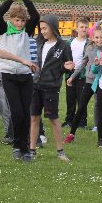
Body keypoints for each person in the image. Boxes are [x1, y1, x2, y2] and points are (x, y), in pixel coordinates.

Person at [0, 0, 40, 161]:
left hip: (25, 76)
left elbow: (36, 15)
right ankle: (17, 145)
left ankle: (24, 148)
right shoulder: (4, 30)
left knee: (26, 113)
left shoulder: (27, 32)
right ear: (11, 19)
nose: (20, 23)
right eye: (17, 20)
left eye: (22, 20)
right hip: (9, 76)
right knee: (17, 112)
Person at [29, 14, 73, 161]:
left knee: (53, 119)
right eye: (41, 28)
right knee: (34, 118)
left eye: (45, 28)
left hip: (51, 87)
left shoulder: (64, 46)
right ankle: (32, 150)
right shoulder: (38, 43)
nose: (42, 31)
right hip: (35, 86)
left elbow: (69, 66)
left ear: (53, 27)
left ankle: (60, 152)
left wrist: (66, 67)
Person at [65, 25, 102, 143]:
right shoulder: (89, 48)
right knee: (81, 107)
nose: (99, 40)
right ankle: (71, 134)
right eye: (97, 37)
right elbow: (82, 64)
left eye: (101, 37)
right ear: (93, 38)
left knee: (101, 108)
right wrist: (72, 77)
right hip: (89, 81)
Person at [63, 17, 89, 129]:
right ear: (76, 28)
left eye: (86, 27)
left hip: (83, 74)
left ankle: (82, 122)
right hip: (70, 73)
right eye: (81, 27)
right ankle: (69, 120)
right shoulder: (70, 42)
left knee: (82, 99)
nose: (84, 29)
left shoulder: (89, 43)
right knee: (70, 98)